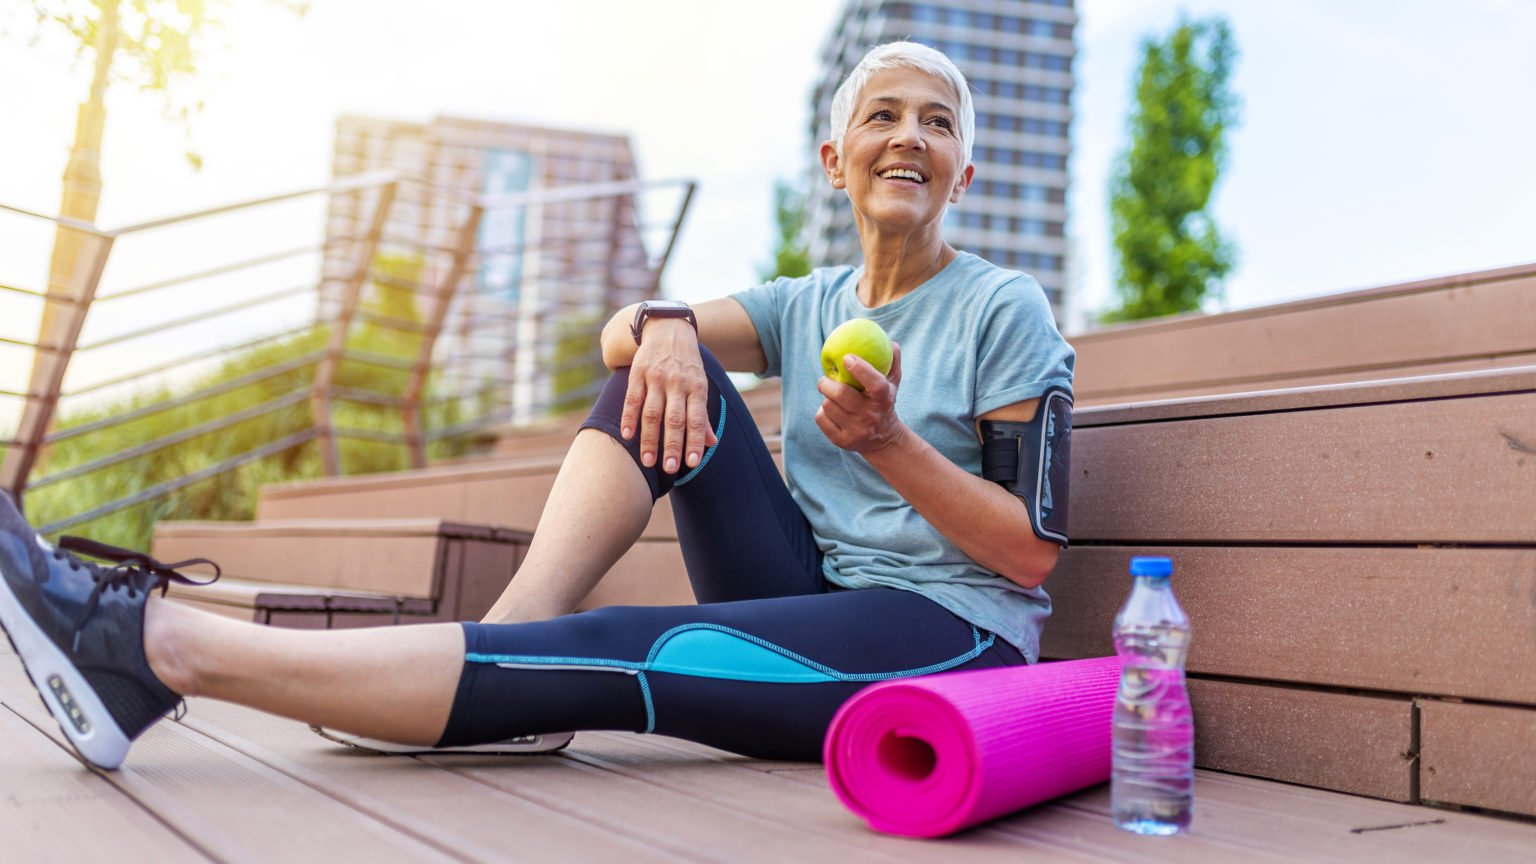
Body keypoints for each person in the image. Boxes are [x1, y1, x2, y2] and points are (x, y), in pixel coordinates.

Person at [0, 41, 1075, 772]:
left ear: (964, 171)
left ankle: (152, 648)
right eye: (883, 116)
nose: (910, 137)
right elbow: (623, 343)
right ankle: (505, 638)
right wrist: (663, 321)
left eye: (936, 124)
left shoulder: (1002, 308)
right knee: (656, 372)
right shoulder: (807, 302)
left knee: (621, 646)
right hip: (805, 586)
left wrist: (886, 443)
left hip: (948, 636)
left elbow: (1029, 556)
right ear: (836, 161)